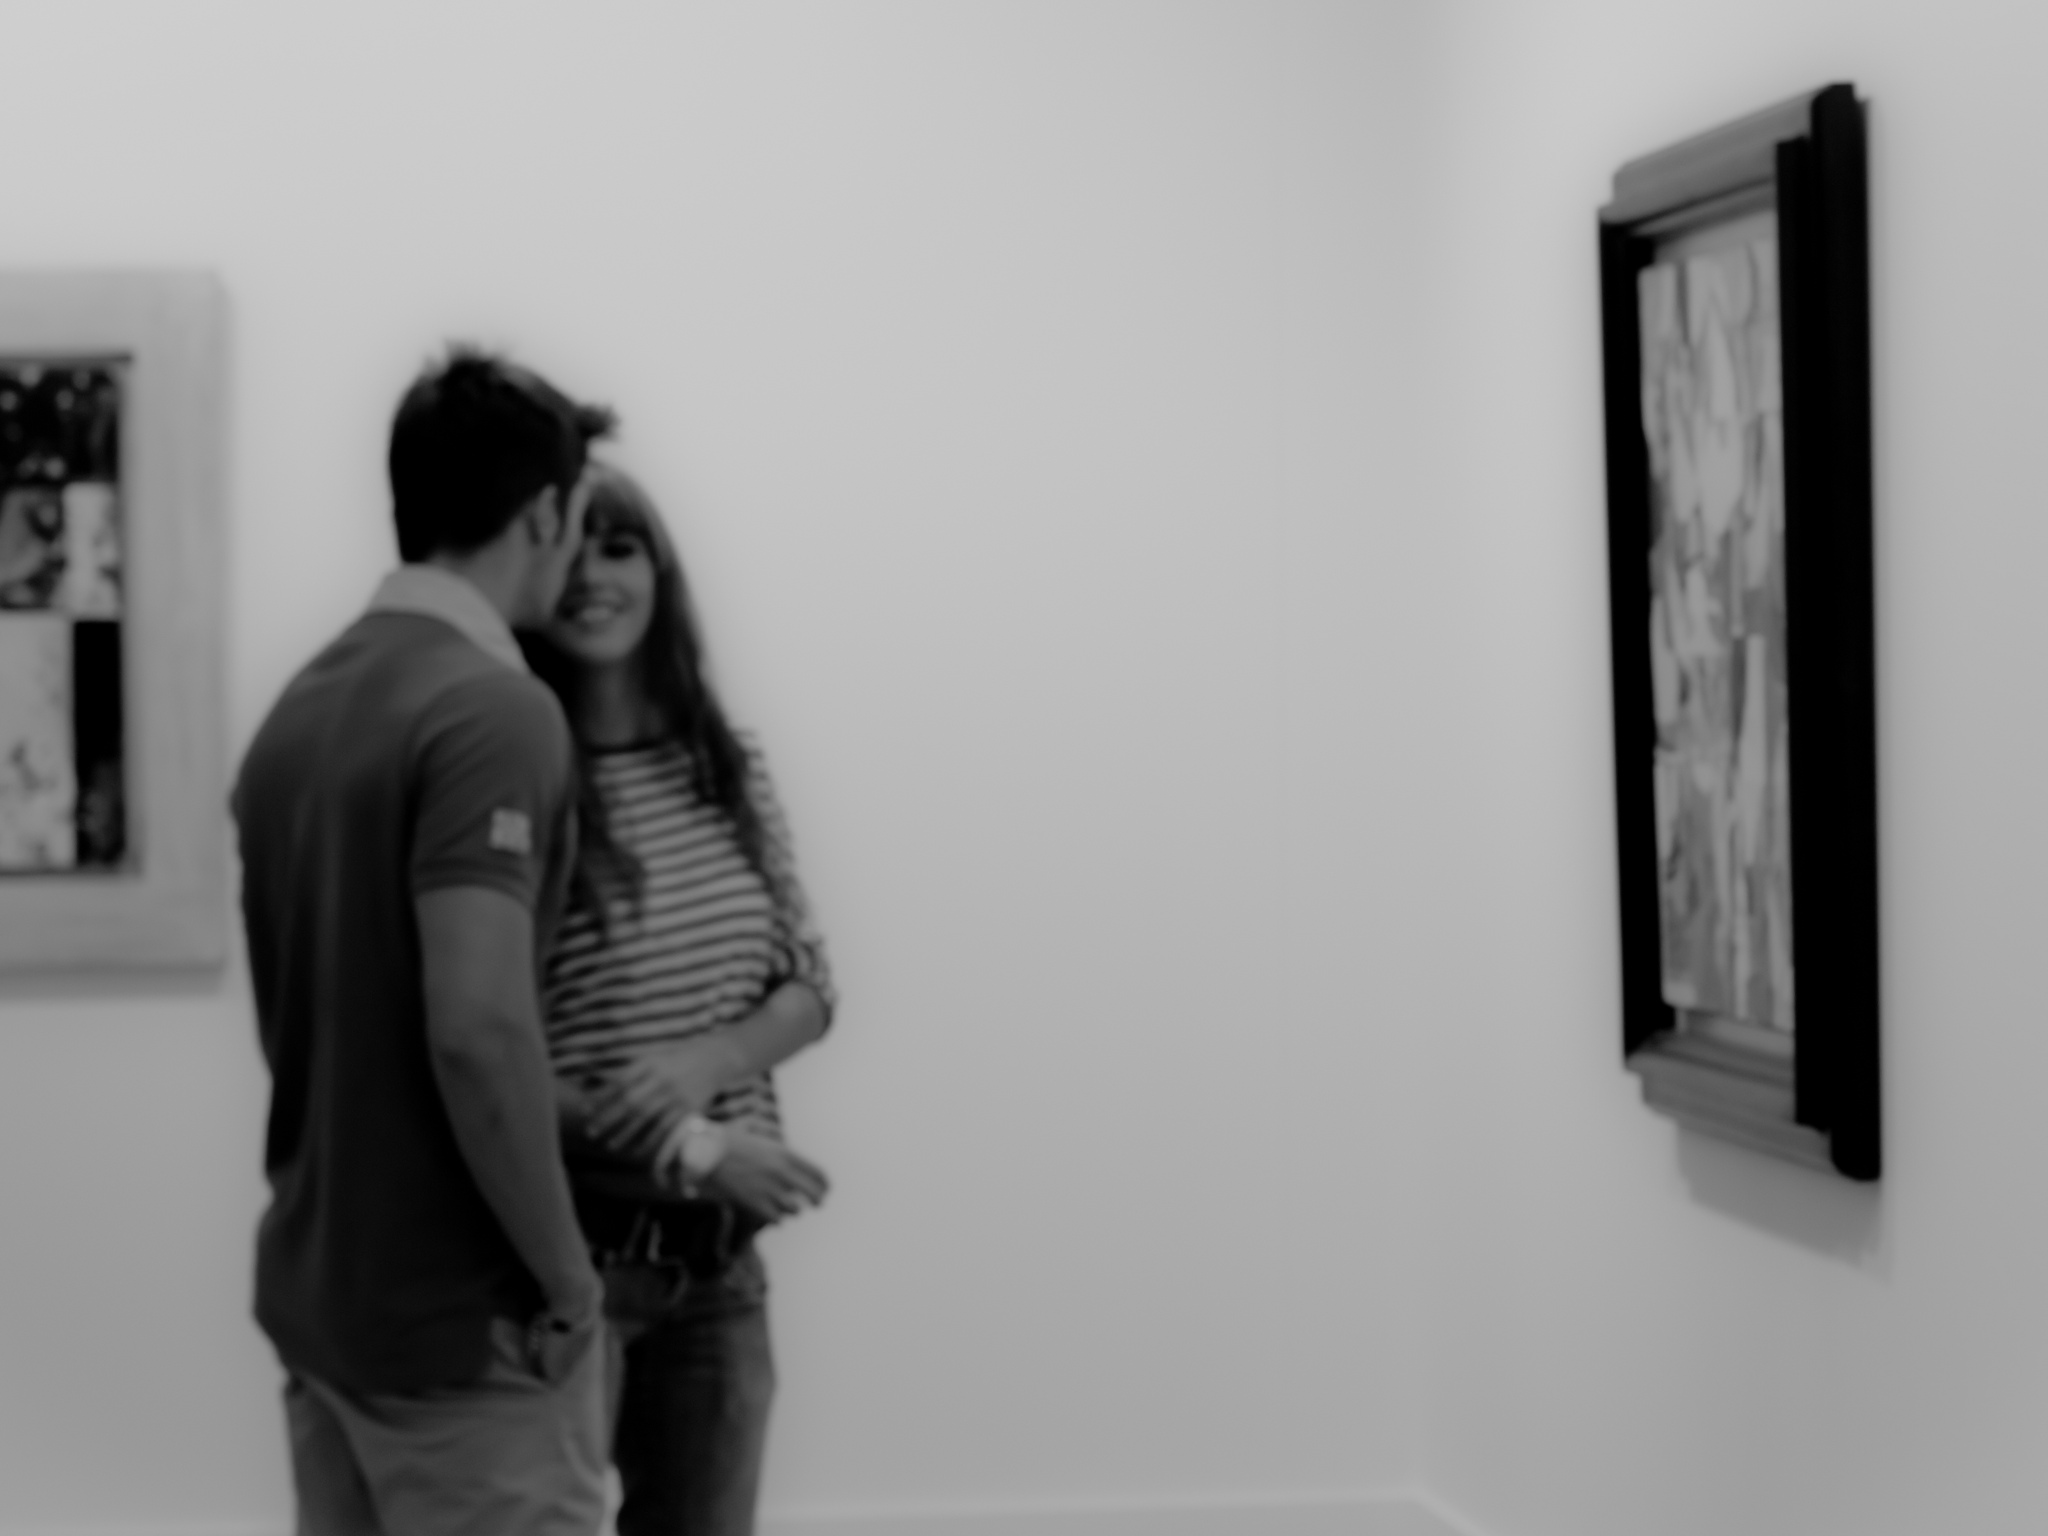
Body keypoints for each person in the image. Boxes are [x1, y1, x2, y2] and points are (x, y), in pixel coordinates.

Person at [233, 349, 618, 1536]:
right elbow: (477, 1028)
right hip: (463, 1343)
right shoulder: (492, 709)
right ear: (545, 511)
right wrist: (567, 1280)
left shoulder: (300, 709)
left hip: (327, 1312)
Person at [519, 464, 835, 1536]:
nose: (593, 578)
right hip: (568, 1265)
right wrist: (689, 1141)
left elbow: (810, 987)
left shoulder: (725, 764)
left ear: (659, 572)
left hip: (720, 1271)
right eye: (569, 552)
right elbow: (493, 1064)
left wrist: (704, 1063)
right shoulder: (520, 781)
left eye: (620, 549)